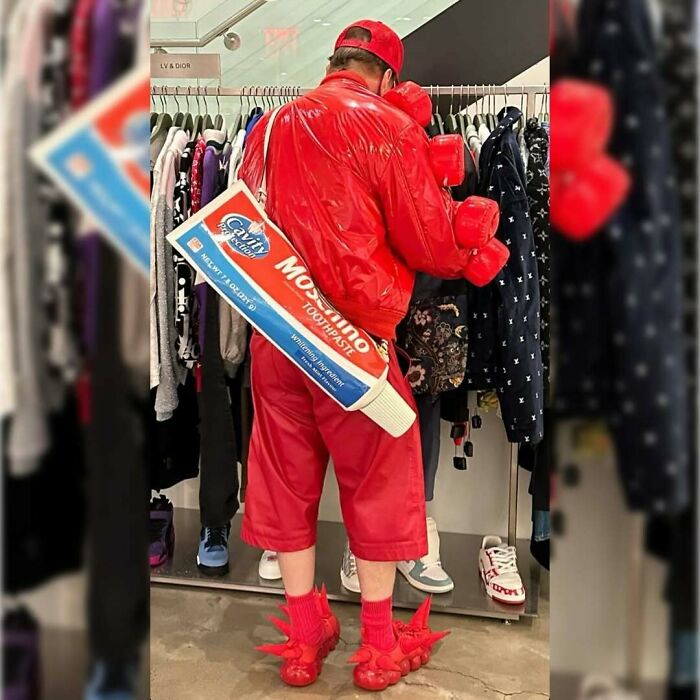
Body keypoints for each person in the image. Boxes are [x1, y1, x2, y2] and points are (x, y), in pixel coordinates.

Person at [238, 19, 505, 691]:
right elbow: (431, 244)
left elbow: (239, 225)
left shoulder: (266, 130)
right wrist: (469, 229)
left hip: (278, 339)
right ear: (387, 76)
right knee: (379, 488)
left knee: (288, 484)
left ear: (334, 62)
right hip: (355, 346)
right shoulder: (389, 126)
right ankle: (379, 647)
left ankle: (304, 642)